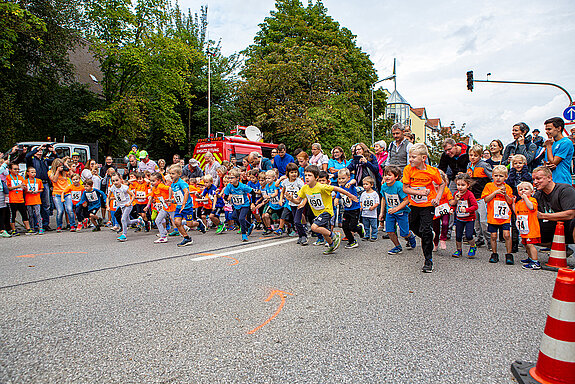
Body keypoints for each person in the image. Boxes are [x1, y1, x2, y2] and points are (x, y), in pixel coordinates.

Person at [288, 165, 357, 255]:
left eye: (309, 175)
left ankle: (334, 235)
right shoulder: (305, 188)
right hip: (318, 213)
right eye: (305, 175)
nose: (307, 177)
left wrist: (350, 195)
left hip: (326, 211)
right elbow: (297, 201)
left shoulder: (321, 187)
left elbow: (337, 188)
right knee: (324, 231)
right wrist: (291, 199)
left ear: (316, 177)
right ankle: (331, 245)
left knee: (314, 227)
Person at [402, 143, 445, 273]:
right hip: (414, 205)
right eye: (410, 157)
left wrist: (437, 198)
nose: (410, 160)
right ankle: (428, 236)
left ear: (423, 158)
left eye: (414, 157)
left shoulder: (433, 171)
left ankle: (428, 260)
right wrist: (419, 193)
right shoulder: (408, 169)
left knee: (425, 230)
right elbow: (405, 188)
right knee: (413, 227)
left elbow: (442, 183)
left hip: (427, 205)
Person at [532, 166, 575, 247]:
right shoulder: (538, 195)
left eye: (538, 179)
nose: (535, 182)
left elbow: (571, 214)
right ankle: (561, 248)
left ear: (549, 178)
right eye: (534, 179)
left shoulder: (565, 190)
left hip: (569, 225)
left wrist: (542, 216)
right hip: (553, 225)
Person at [481, 165, 514, 265]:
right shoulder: (489, 186)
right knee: (494, 236)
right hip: (493, 216)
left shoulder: (507, 188)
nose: (498, 178)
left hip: (504, 216)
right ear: (492, 176)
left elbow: (510, 201)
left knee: (507, 235)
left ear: (506, 177)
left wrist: (505, 194)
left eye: (501, 176)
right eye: (496, 176)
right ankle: (494, 254)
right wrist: (495, 192)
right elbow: (486, 199)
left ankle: (509, 254)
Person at [380, 165, 417, 254]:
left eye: (390, 175)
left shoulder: (400, 186)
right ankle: (397, 246)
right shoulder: (384, 186)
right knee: (389, 231)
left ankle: (410, 236)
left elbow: (406, 200)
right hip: (390, 212)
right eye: (385, 175)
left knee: (404, 233)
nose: (387, 177)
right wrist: (381, 213)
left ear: (396, 176)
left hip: (401, 212)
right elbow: (384, 198)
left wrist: (396, 209)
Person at [168, 164, 204, 246]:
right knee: (177, 222)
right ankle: (186, 238)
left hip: (187, 207)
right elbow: (178, 197)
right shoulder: (173, 184)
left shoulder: (182, 183)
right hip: (179, 207)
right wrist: (171, 200)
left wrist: (184, 204)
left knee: (189, 224)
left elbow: (186, 192)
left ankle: (199, 223)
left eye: (173, 174)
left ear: (179, 174)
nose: (171, 175)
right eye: (170, 173)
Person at [26, 143, 58, 230]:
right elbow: (27, 156)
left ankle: (45, 224)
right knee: (36, 204)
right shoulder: (32, 160)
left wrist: (54, 152)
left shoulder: (44, 160)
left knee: (46, 204)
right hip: (35, 183)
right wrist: (37, 149)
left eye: (41, 150)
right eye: (38, 150)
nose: (40, 151)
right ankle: (36, 224)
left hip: (45, 183)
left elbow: (56, 161)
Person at [466, 144, 492, 248]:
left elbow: (492, 178)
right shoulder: (469, 165)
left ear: (480, 156)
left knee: (483, 221)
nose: (472, 157)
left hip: (482, 196)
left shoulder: (484, 165)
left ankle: (490, 241)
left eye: (475, 155)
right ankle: (479, 238)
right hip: (473, 196)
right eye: (471, 155)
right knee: (476, 220)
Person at [506, 154, 533, 253]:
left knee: (526, 221)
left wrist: (525, 170)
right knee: (514, 222)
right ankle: (514, 243)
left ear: (524, 164)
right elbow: (509, 183)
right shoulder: (511, 173)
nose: (518, 165)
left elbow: (529, 182)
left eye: (520, 163)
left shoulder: (527, 174)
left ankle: (528, 243)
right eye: (515, 163)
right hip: (515, 199)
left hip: (526, 198)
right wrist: (512, 172)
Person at [513, 181, 541, 270]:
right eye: (521, 190)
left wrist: (526, 198)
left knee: (530, 245)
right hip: (523, 228)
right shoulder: (519, 202)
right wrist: (513, 203)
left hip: (531, 227)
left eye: (526, 189)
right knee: (525, 244)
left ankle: (535, 262)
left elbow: (531, 207)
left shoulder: (532, 200)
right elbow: (516, 212)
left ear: (532, 192)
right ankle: (530, 258)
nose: (523, 191)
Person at [450, 173, 478, 258]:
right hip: (459, 218)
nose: (460, 187)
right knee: (458, 235)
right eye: (458, 185)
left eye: (463, 185)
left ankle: (473, 246)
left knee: (469, 235)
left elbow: (475, 206)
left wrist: (466, 210)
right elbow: (454, 204)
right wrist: (452, 209)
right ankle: (459, 250)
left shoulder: (469, 194)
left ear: (468, 185)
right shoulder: (456, 193)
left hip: (469, 218)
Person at [223, 168, 255, 242]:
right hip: (236, 205)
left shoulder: (243, 186)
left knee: (241, 218)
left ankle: (244, 234)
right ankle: (250, 226)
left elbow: (252, 192)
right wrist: (228, 198)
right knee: (234, 217)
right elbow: (225, 195)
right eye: (229, 178)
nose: (230, 180)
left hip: (245, 204)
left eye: (232, 178)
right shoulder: (229, 186)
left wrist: (253, 203)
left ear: (237, 178)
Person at [334, 168, 363, 248]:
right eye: (339, 178)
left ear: (348, 178)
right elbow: (338, 195)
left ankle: (359, 228)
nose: (341, 180)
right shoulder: (340, 188)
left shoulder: (350, 185)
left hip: (354, 209)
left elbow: (354, 180)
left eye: (343, 178)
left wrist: (350, 183)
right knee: (344, 226)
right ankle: (352, 241)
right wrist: (336, 199)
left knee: (352, 227)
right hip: (346, 210)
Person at [108, 174, 141, 242]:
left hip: (128, 205)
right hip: (121, 206)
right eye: (113, 181)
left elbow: (133, 195)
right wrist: (108, 206)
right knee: (128, 222)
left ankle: (124, 235)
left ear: (121, 180)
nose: (115, 182)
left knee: (123, 219)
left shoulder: (124, 188)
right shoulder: (113, 188)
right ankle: (139, 220)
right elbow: (108, 198)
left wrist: (130, 202)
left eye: (117, 180)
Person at [543, 117, 573, 185]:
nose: (547, 132)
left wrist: (548, 146)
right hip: (550, 181)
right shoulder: (551, 143)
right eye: (546, 129)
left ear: (559, 128)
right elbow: (547, 163)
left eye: (549, 129)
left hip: (562, 180)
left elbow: (553, 162)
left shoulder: (566, 142)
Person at [148, 172, 175, 243]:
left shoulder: (160, 186)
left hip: (170, 206)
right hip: (164, 207)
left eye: (153, 181)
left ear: (159, 180)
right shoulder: (154, 188)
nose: (151, 182)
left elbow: (169, 188)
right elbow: (151, 197)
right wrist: (147, 206)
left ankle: (190, 223)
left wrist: (169, 199)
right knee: (158, 220)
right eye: (150, 181)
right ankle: (163, 236)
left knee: (176, 221)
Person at [48, 159, 74, 233]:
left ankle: (72, 225)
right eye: (59, 166)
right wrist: (57, 171)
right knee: (60, 211)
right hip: (57, 193)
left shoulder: (65, 172)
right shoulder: (50, 172)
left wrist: (67, 167)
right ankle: (59, 226)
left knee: (69, 209)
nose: (61, 167)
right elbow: (54, 180)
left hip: (66, 193)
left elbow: (72, 175)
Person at [7, 163, 33, 235]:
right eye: (15, 169)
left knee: (24, 214)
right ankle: (13, 230)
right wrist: (17, 186)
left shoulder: (21, 178)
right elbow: (8, 188)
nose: (17, 170)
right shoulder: (8, 177)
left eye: (18, 169)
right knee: (13, 215)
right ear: (10, 170)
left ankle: (28, 228)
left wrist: (25, 187)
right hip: (12, 199)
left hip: (20, 199)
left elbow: (25, 187)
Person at [432, 170, 454, 251]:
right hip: (435, 211)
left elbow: (451, 200)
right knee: (435, 229)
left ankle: (443, 239)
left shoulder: (446, 190)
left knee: (445, 223)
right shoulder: (430, 190)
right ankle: (435, 243)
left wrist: (454, 203)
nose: (435, 183)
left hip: (445, 210)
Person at [24, 167, 44, 234]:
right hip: (28, 200)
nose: (33, 174)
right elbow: (24, 189)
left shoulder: (38, 180)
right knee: (30, 214)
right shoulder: (25, 181)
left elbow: (41, 189)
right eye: (32, 172)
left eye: (34, 172)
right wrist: (27, 190)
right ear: (28, 173)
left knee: (38, 214)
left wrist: (37, 191)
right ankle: (32, 227)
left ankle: (40, 227)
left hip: (37, 199)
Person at [360, 176, 380, 241]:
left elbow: (377, 202)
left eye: (366, 184)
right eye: (364, 184)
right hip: (365, 213)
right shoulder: (363, 194)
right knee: (366, 226)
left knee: (374, 226)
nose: (365, 186)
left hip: (372, 213)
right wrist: (361, 206)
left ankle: (374, 235)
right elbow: (361, 201)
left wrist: (373, 207)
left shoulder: (374, 193)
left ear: (371, 185)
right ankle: (367, 235)